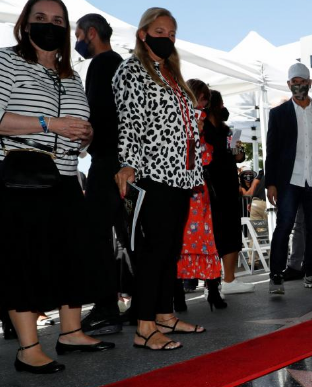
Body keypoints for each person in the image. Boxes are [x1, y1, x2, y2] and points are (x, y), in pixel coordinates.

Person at [0, 0, 114, 374]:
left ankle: (71, 331)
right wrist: (48, 123)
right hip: (15, 175)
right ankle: (28, 348)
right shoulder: (3, 61)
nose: (49, 25)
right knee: (20, 261)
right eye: (41, 18)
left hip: (65, 176)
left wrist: (85, 135)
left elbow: (79, 127)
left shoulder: (71, 75)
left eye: (58, 20)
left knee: (73, 256)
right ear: (25, 24)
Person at [113, 7, 206, 351]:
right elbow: (129, 121)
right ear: (143, 34)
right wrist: (128, 164)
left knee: (170, 248)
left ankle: (165, 314)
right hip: (152, 172)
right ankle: (144, 325)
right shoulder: (132, 70)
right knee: (153, 251)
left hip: (180, 174)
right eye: (160, 31)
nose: (166, 37)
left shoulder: (170, 72)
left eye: (171, 33)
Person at [75, 13, 125, 336]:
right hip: (120, 161)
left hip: (107, 161)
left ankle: (106, 306)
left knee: (97, 234)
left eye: (78, 35)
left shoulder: (101, 64)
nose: (77, 42)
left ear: (92, 33)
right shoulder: (119, 62)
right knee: (128, 235)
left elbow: (95, 115)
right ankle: (147, 302)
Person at [265, 63, 312, 294]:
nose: (298, 85)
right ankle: (276, 276)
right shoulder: (278, 114)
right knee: (284, 227)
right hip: (289, 180)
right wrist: (271, 183)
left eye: (302, 81)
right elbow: (272, 150)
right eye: (294, 82)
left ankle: (311, 273)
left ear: (309, 83)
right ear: (288, 84)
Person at [177, 79, 226, 311]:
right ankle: (177, 294)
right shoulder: (177, 116)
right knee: (180, 243)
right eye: (201, 97)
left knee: (207, 242)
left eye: (206, 98)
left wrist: (202, 135)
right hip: (181, 190)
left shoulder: (207, 122)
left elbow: (209, 157)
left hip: (201, 191)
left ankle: (213, 290)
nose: (203, 102)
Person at [203, 90, 254, 295]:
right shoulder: (202, 127)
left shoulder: (225, 130)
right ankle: (212, 283)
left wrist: (238, 153)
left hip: (229, 185)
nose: (224, 107)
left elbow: (237, 158)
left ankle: (230, 279)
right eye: (221, 103)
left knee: (231, 231)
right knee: (213, 232)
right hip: (211, 186)